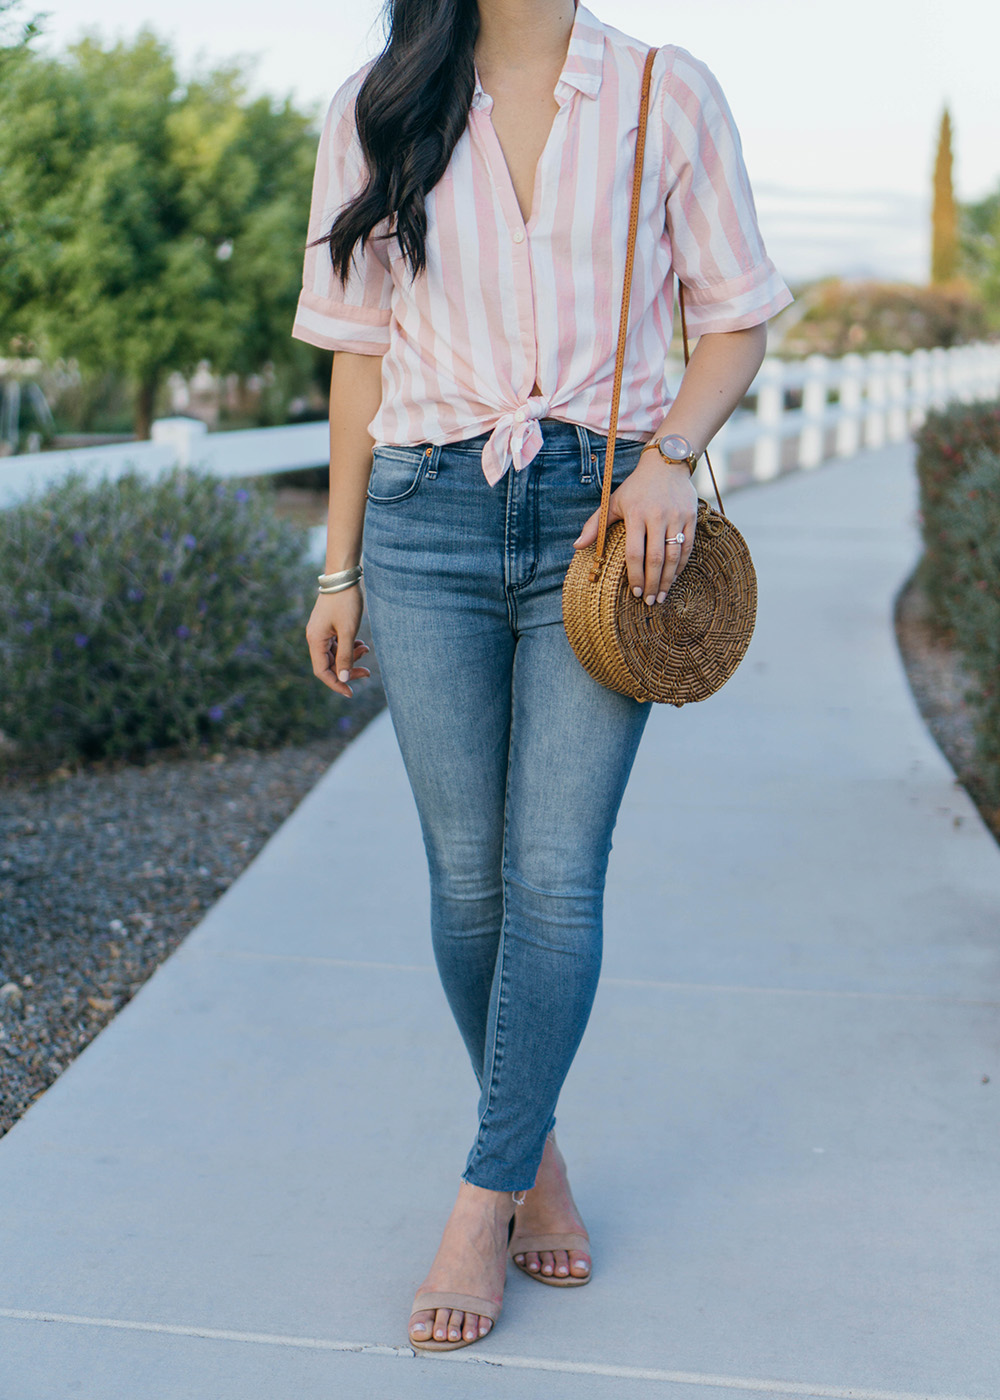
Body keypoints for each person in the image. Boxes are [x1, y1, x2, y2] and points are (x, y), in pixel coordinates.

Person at [295, 0, 791, 1355]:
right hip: (422, 519)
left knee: (555, 874)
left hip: (602, 523)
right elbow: (354, 357)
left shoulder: (662, 94)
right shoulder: (378, 102)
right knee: (468, 883)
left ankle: (479, 1197)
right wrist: (336, 569)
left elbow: (736, 318)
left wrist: (673, 457)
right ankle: (538, 1159)